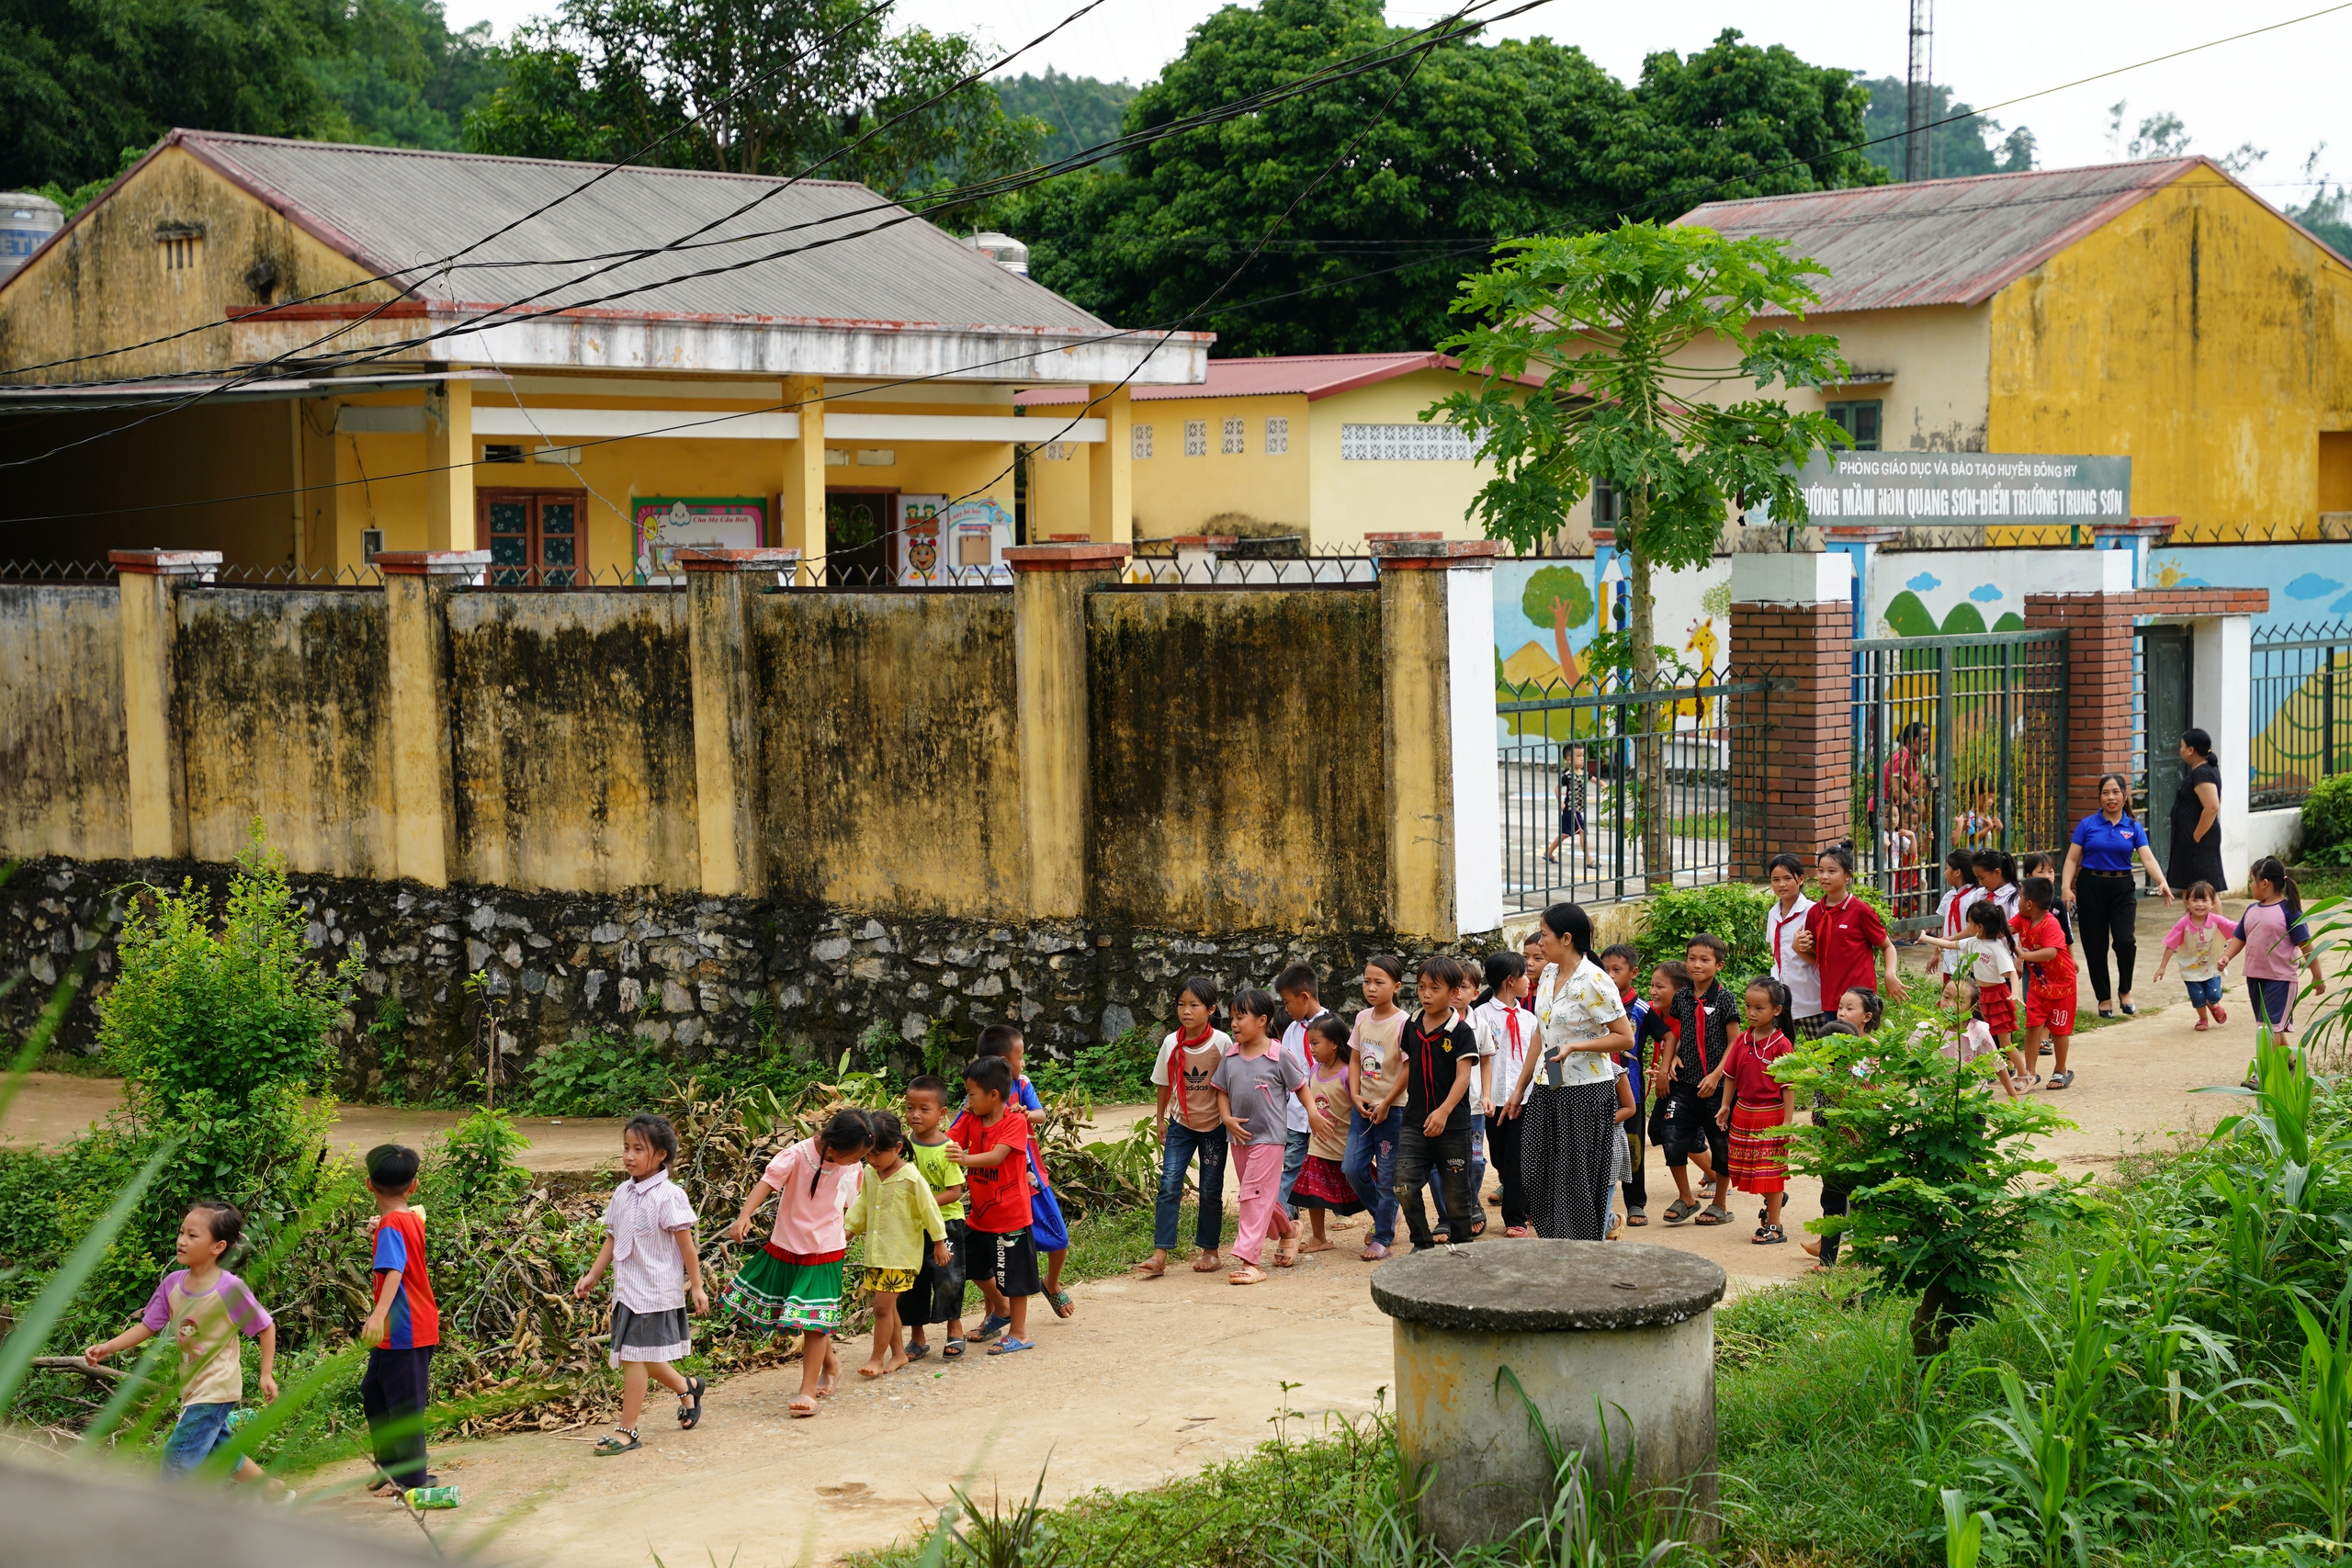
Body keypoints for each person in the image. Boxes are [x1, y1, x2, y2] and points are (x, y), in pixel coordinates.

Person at [85, 1201, 288, 1495]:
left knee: (177, 1458)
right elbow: (148, 1326)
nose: (181, 1240)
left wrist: (266, 1374)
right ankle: (273, 1491)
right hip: (192, 1387)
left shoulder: (229, 1289)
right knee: (220, 1451)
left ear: (218, 1247)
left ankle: (171, 1521)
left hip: (217, 1387)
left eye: (193, 1236)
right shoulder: (172, 1284)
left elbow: (265, 1326)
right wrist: (108, 1347)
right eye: (182, 1232)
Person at [572, 1114, 707, 1456]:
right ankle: (687, 1386)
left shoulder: (669, 1196)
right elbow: (612, 1238)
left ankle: (627, 1430)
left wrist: (696, 1286)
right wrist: (592, 1276)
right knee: (642, 1357)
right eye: (626, 1148)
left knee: (634, 1358)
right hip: (627, 1292)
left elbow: (686, 1245)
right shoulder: (622, 1192)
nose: (629, 1156)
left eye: (638, 1149)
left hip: (655, 1293)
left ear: (660, 1155)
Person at [725, 1108, 871, 1414]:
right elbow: (767, 1183)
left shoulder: (851, 1165)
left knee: (813, 1322)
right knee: (806, 1316)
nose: (856, 1162)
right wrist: (744, 1215)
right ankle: (831, 1365)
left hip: (826, 1250)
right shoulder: (796, 1156)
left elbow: (852, 1204)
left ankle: (808, 1392)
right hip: (789, 1246)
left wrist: (857, 1230)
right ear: (832, 1148)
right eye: (852, 1156)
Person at [1503, 904, 1632, 1241]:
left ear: (1567, 938)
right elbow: (1540, 1033)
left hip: (1587, 1090)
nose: (1540, 942)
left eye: (1544, 935)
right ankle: (1553, 1243)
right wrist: (1521, 1087)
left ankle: (1581, 1251)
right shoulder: (1547, 974)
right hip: (1549, 1086)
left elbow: (1624, 1036)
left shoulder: (1595, 980)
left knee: (1575, 1177)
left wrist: (1576, 1047)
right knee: (1536, 1169)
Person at [358, 1144, 441, 1492]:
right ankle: (390, 1466)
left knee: (404, 1406)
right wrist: (379, 1228)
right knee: (374, 1392)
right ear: (414, 1186)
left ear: (368, 1184)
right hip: (402, 1331)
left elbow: (394, 1269)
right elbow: (401, 1233)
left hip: (404, 1329)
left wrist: (376, 1316)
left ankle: (411, 1478)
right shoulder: (406, 1218)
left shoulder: (394, 1224)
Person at [843, 1110, 949, 1381]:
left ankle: (877, 1358)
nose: (872, 1159)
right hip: (876, 1254)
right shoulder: (870, 1173)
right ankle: (899, 1353)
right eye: (868, 1154)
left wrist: (939, 1243)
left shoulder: (911, 1177)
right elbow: (862, 1205)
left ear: (898, 1147)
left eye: (877, 1153)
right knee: (888, 1308)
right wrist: (848, 1231)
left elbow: (930, 1211)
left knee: (880, 1308)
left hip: (900, 1256)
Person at [976, 1025, 1072, 1319]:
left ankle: (1051, 1282)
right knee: (997, 1252)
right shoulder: (978, 1092)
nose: (1023, 1064)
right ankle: (992, 1314)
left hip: (1031, 1179)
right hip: (998, 1186)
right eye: (1020, 1058)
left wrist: (1027, 1114)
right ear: (1003, 1062)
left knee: (1060, 1238)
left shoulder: (1023, 1085)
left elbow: (1041, 1115)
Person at [945, 1057, 1040, 1355]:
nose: (968, 1100)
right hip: (981, 1217)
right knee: (970, 1264)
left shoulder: (1015, 1120)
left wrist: (965, 1160)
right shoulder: (972, 1119)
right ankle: (1000, 1308)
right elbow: (949, 1141)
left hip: (1011, 1218)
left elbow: (998, 1156)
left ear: (994, 1095)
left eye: (971, 1094)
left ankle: (1020, 1332)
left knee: (1015, 1278)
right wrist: (961, 1114)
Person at [1140, 976, 1232, 1279]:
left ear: (1211, 1010)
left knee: (1209, 1188)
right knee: (1169, 1185)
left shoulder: (1222, 1042)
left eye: (1194, 1005)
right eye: (1181, 1004)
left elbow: (1231, 1084)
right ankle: (1160, 1254)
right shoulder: (1171, 1043)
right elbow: (1164, 1084)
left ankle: (1210, 1251)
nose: (1186, 1011)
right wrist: (1160, 1118)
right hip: (1181, 1124)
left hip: (1215, 1127)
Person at [2064, 772, 2174, 1017]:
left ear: (2125, 795)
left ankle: (2125, 990)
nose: (2110, 797)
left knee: (2125, 941)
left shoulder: (2133, 827)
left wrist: (2162, 881)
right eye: (2105, 793)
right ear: (2099, 797)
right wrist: (2066, 888)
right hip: (2091, 885)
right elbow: (2072, 858)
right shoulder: (2087, 825)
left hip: (2122, 887)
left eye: (2115, 792)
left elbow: (2147, 857)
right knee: (2095, 946)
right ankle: (2103, 998)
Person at [1215, 987, 1306, 1282]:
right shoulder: (1230, 1056)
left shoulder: (1279, 1055)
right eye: (1232, 1018)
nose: (1234, 1024)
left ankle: (1249, 1260)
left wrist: (1314, 1116)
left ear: (1262, 1020)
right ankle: (1290, 1230)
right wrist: (1226, 1117)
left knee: (1251, 1197)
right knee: (1258, 1195)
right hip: (1239, 1139)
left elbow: (1300, 1087)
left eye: (1241, 1017)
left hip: (1270, 1139)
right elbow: (1220, 1091)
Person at [1394, 957, 1481, 1250]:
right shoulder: (1411, 1025)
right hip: (1414, 1123)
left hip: (1453, 1126)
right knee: (1403, 1185)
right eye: (1421, 987)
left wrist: (1443, 1112)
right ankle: (1421, 1243)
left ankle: (1461, 1246)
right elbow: (1407, 1068)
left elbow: (1463, 1077)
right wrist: (1387, 1102)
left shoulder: (1461, 1031)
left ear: (1454, 992)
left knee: (1457, 1196)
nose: (1426, 994)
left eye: (1434, 988)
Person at [1702, 977, 1796, 1245]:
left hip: (1772, 1116)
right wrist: (1724, 1106)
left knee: (1771, 1173)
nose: (1751, 1013)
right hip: (1743, 1114)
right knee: (1754, 1172)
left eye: (1759, 1008)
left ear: (1776, 1010)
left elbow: (1789, 1087)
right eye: (1748, 1006)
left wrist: (1788, 1124)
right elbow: (1730, 1076)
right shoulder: (1743, 1040)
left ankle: (1774, 1225)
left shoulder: (1781, 1045)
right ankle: (1773, 1201)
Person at [1653, 934, 1739, 1226]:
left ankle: (1720, 1204)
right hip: (1685, 1081)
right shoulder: (1681, 997)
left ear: (1720, 965)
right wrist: (1673, 1056)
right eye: (1692, 958)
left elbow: (1735, 1043)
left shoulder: (1725, 999)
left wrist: (1717, 1075)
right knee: (1672, 1135)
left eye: (1705, 960)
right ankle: (1686, 1198)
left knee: (1720, 1142)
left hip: (1716, 1085)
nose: (1696, 964)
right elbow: (1677, 1032)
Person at [1344, 955, 1409, 1262]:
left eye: (1379, 982)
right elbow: (1355, 1058)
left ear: (1396, 987)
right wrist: (1355, 1095)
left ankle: (1382, 1237)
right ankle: (1387, 1214)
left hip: (1392, 1110)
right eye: (1367, 981)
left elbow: (1409, 1069)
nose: (1370, 987)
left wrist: (1387, 1103)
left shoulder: (1404, 1023)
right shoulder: (1361, 1018)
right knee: (1352, 1168)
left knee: (1386, 1176)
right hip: (1363, 1108)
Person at [899, 1075, 969, 1359]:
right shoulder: (901, 1147)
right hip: (912, 1227)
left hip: (947, 1224)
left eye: (924, 1109)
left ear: (942, 1114)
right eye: (909, 1107)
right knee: (912, 1282)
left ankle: (955, 1329)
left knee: (948, 1278)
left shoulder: (947, 1149)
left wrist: (924, 1205)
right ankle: (918, 1337)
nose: (915, 1115)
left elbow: (955, 1190)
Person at [2224, 856, 2329, 1040]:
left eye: (2251, 880)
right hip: (2255, 977)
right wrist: (2226, 956)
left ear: (2264, 883)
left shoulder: (2289, 911)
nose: (2250, 885)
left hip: (2280, 980)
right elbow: (2239, 938)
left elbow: (2306, 945)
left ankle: (2269, 1068)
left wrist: (2317, 975)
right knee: (2269, 1027)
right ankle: (2291, 1063)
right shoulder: (2251, 910)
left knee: (2269, 1029)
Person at [1795, 841, 1909, 1004]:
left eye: (1832, 871)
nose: (1824, 876)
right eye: (1820, 871)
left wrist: (1890, 974)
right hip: (1831, 997)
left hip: (1860, 998)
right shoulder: (1814, 912)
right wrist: (1798, 946)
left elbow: (1887, 946)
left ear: (1847, 875)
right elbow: (1819, 957)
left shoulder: (1861, 911)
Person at [1425, 965, 1491, 1236]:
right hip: (1437, 1107)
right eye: (1455, 986)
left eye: (1465, 987)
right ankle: (1446, 1216)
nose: (1458, 992)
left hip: (1473, 1107)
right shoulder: (1429, 1023)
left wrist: (1487, 1095)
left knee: (1474, 1161)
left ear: (1475, 993)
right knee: (1436, 1165)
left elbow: (1486, 1061)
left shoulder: (1480, 1026)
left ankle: (1468, 1202)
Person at [1291, 1013, 1365, 1249]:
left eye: (1316, 1043)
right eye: (1310, 1043)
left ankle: (1384, 1218)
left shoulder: (1346, 1073)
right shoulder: (1314, 1070)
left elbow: (1356, 1106)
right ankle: (1319, 1237)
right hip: (1319, 1143)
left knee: (1362, 1184)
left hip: (1343, 1144)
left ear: (1334, 1043)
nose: (1311, 1048)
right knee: (1313, 1191)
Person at [1475, 951, 1536, 1235]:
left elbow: (1541, 1058)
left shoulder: (1530, 1019)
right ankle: (1526, 1202)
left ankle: (1515, 1218)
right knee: (1499, 1158)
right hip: (1493, 1100)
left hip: (1524, 1100)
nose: (1529, 981)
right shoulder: (1481, 1016)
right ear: (1511, 981)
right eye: (1524, 975)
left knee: (1517, 1159)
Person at [1920, 900, 2020, 1067]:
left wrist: (2015, 992)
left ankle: (2025, 1074)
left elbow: (2012, 973)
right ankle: (1991, 1069)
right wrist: (1925, 938)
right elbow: (1949, 944)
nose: (1967, 925)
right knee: (1982, 1038)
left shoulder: (1996, 948)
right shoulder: (1973, 942)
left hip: (1998, 996)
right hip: (1980, 995)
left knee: (2005, 1044)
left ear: (1979, 926)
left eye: (1969, 922)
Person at [1273, 964, 1334, 1224]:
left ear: (1304, 997)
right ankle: (1282, 1216)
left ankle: (1363, 1210)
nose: (1286, 1009)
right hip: (1297, 1115)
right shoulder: (1291, 1031)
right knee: (1292, 1164)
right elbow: (1284, 1072)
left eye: (1287, 1003)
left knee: (1335, 1164)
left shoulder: (1333, 1026)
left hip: (1330, 1112)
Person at [1597, 943, 1648, 1227]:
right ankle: (1602, 1209)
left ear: (1633, 972)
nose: (1610, 975)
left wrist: (1665, 1067)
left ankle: (1635, 1203)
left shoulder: (1640, 1008)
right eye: (1605, 969)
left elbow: (1667, 1032)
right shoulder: (1594, 1001)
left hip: (1632, 1091)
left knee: (1633, 1147)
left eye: (1617, 969)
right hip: (1598, 1085)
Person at [2014, 877, 2080, 1089]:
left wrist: (2022, 954)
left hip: (2063, 987)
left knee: (2060, 1031)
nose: (2017, 901)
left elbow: (2051, 952)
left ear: (2030, 904)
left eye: (2020, 897)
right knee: (2032, 1027)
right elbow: (2004, 929)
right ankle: (2029, 1072)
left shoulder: (2051, 923)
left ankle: (2061, 1069)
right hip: (2038, 987)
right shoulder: (2022, 919)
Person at [2154, 881, 2235, 1032]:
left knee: (2214, 994)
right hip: (2190, 967)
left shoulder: (2217, 921)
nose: (2199, 904)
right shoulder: (2183, 923)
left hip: (2211, 966)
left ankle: (2214, 1004)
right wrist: (2162, 967)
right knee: (2198, 997)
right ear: (2187, 903)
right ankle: (2203, 1018)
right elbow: (2171, 944)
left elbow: (2237, 929)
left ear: (2212, 903)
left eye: (2204, 900)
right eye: (2195, 900)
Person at [1764, 852, 1825, 1035]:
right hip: (1781, 997)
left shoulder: (1812, 911)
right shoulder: (1773, 914)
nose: (1781, 884)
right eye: (1776, 879)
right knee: (1780, 1054)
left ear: (1801, 879)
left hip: (1811, 996)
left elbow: (1823, 955)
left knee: (1822, 1052)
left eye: (1787, 878)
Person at [1937, 976, 2018, 1098]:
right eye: (1947, 997)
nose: (1950, 1005)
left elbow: (1998, 1065)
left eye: (1960, 1001)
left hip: (1974, 1101)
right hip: (1942, 1102)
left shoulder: (1979, 1031)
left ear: (1972, 1008)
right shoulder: (1929, 1029)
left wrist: (2014, 1097)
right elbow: (1908, 1058)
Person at [2168, 728, 2226, 895]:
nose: (2181, 750)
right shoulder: (2205, 770)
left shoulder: (2203, 772)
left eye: (2182, 746)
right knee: (2192, 889)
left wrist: (2197, 836)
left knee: (2204, 891)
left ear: (2191, 750)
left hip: (2198, 844)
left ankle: (2213, 922)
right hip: (2190, 842)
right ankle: (2193, 922)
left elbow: (2213, 806)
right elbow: (2218, 799)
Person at [1932, 851, 1978, 1007]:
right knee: (1949, 994)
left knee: (1965, 997)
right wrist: (1936, 953)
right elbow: (1945, 927)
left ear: (1957, 872)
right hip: (1950, 955)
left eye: (1947, 868)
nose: (1945, 873)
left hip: (1968, 955)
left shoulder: (1976, 896)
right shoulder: (1950, 896)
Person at [1544, 744, 1594, 872]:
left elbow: (1597, 781)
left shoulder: (1584, 774)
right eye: (1578, 756)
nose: (1582, 758)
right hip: (1571, 810)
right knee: (1582, 831)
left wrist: (1606, 787)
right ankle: (1589, 859)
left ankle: (1548, 853)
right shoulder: (1568, 776)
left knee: (1565, 834)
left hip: (1576, 809)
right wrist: (1560, 801)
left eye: (1583, 755)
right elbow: (1557, 788)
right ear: (1569, 760)